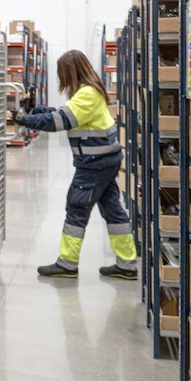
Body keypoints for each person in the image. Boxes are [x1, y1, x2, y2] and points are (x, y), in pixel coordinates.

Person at [14, 49, 138, 279]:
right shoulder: (90, 91)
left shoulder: (87, 94)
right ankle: (127, 263)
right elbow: (65, 113)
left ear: (70, 72)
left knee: (77, 207)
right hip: (104, 161)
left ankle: (67, 263)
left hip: (95, 164)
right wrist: (36, 111)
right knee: (112, 209)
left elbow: (61, 121)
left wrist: (26, 120)